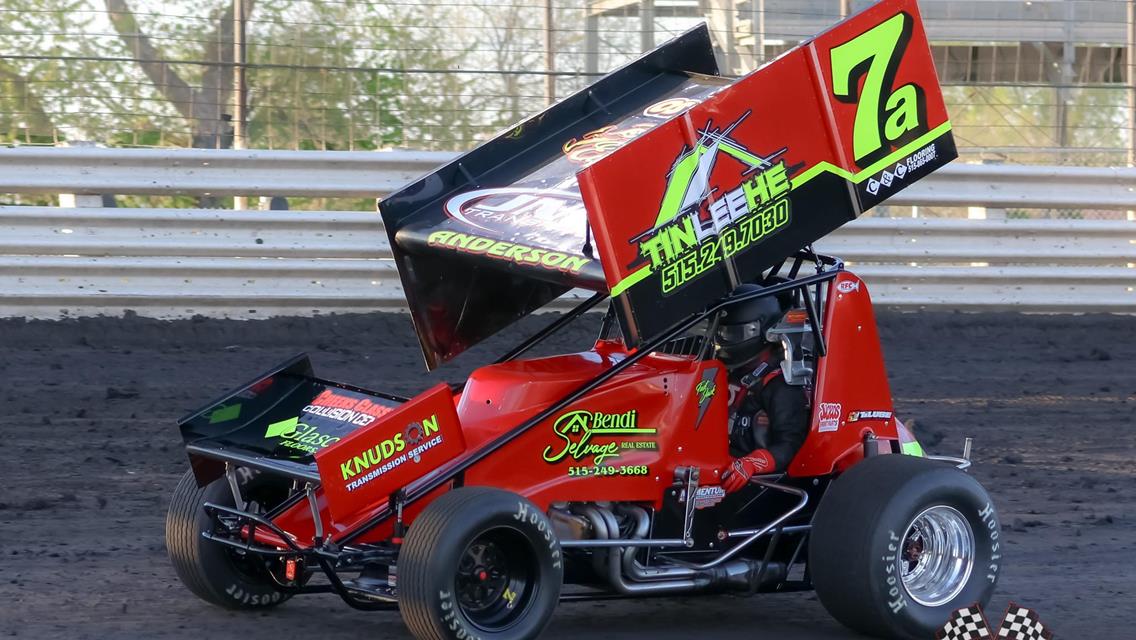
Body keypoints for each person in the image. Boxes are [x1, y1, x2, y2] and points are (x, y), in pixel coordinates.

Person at [714, 283, 810, 493]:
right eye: (723, 333)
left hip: (756, 483)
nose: (727, 341)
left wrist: (751, 464)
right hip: (716, 463)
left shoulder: (780, 383)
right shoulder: (724, 369)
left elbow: (791, 445)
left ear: (763, 331)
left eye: (735, 334)